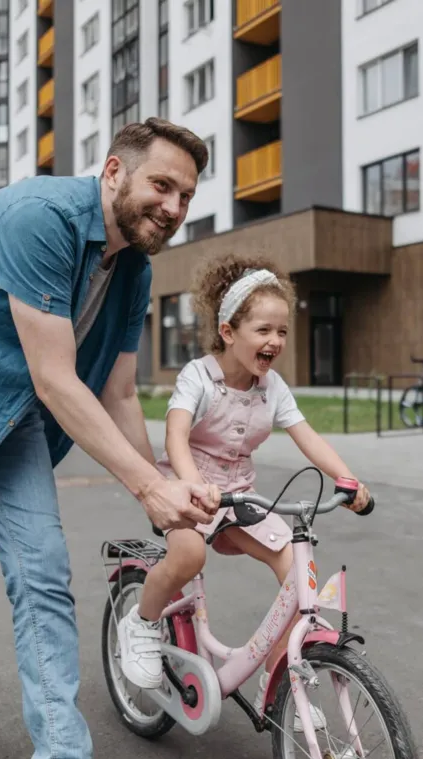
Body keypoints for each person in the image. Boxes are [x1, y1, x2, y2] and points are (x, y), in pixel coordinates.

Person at [0, 118, 220, 759]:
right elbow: (56, 379)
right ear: (111, 172)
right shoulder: (42, 217)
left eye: (186, 195)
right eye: (161, 184)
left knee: (43, 576)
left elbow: (119, 390)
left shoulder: (133, 269)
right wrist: (147, 490)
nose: (174, 206)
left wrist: (161, 493)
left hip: (6, 412)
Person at [118, 256, 371, 727]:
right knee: (189, 556)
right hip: (188, 493)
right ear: (229, 331)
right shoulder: (199, 376)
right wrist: (191, 485)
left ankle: (282, 676)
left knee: (301, 576)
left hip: (240, 500)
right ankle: (142, 622)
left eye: (282, 332)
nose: (274, 341)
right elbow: (176, 435)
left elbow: (307, 435)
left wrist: (348, 478)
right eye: (263, 330)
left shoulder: (272, 388)